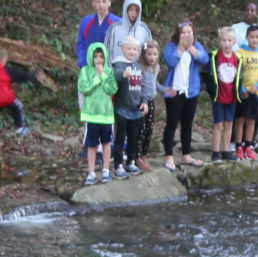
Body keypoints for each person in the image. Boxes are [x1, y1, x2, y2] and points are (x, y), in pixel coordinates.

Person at [161, 22, 208, 170]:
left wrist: (192, 49)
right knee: (172, 125)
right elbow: (169, 62)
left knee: (187, 125)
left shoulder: (197, 46)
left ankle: (186, 155)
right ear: (178, 35)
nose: (187, 35)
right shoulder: (171, 46)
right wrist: (181, 48)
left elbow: (205, 60)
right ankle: (169, 157)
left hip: (191, 92)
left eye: (190, 32)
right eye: (184, 32)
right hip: (174, 92)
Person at [110, 37, 152, 177]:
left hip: (136, 109)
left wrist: (145, 101)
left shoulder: (139, 66)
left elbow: (144, 86)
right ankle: (118, 165)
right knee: (120, 137)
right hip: (122, 108)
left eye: (134, 49)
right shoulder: (119, 64)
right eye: (129, 49)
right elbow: (115, 76)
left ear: (138, 51)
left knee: (134, 137)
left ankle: (131, 162)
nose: (132, 52)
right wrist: (123, 75)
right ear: (123, 50)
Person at [77, 41, 118, 184]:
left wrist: (104, 76)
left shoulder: (109, 71)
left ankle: (106, 170)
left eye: (101, 56)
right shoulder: (85, 71)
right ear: (90, 57)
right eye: (95, 57)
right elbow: (84, 88)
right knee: (92, 144)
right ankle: (91, 173)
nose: (99, 60)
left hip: (106, 115)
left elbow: (112, 89)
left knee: (106, 143)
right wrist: (96, 78)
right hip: (91, 115)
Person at [234, 23, 258, 161]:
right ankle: (238, 146)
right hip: (242, 92)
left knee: (251, 120)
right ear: (246, 38)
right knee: (240, 119)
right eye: (252, 37)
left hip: (256, 93)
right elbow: (236, 74)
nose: (255, 40)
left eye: (257, 37)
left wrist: (257, 86)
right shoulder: (239, 53)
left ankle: (248, 146)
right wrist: (242, 89)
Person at [209, 26, 242, 161]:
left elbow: (241, 76)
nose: (226, 43)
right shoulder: (215, 56)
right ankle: (216, 151)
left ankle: (226, 150)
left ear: (234, 42)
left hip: (232, 97)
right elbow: (209, 74)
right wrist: (212, 91)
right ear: (219, 41)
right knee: (218, 124)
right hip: (219, 96)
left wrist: (240, 92)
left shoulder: (238, 58)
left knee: (229, 124)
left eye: (229, 40)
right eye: (224, 40)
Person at [75, 0, 120, 68]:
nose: (101, 5)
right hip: (88, 69)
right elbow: (80, 43)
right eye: (98, 1)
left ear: (109, 3)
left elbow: (121, 46)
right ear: (93, 3)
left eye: (104, 1)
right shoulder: (85, 22)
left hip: (109, 71)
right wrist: (82, 62)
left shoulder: (117, 23)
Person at [107, 0, 155, 67]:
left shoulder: (144, 30)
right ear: (126, 10)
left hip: (138, 75)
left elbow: (148, 50)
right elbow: (107, 51)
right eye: (131, 10)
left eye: (136, 10)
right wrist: (111, 72)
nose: (134, 13)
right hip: (116, 74)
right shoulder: (114, 29)